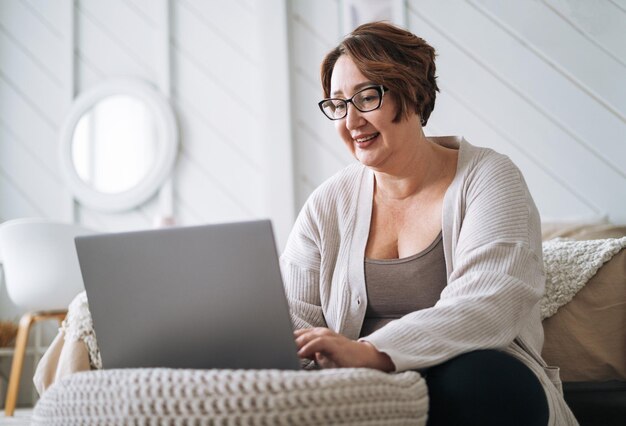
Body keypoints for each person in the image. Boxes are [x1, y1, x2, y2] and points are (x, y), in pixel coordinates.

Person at [281, 22, 577, 426]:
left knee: (478, 382)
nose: (351, 121)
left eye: (367, 97)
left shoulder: (489, 178)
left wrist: (372, 353)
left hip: (477, 379)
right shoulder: (326, 204)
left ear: (414, 93)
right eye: (337, 104)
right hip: (358, 391)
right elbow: (294, 318)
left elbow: (488, 304)